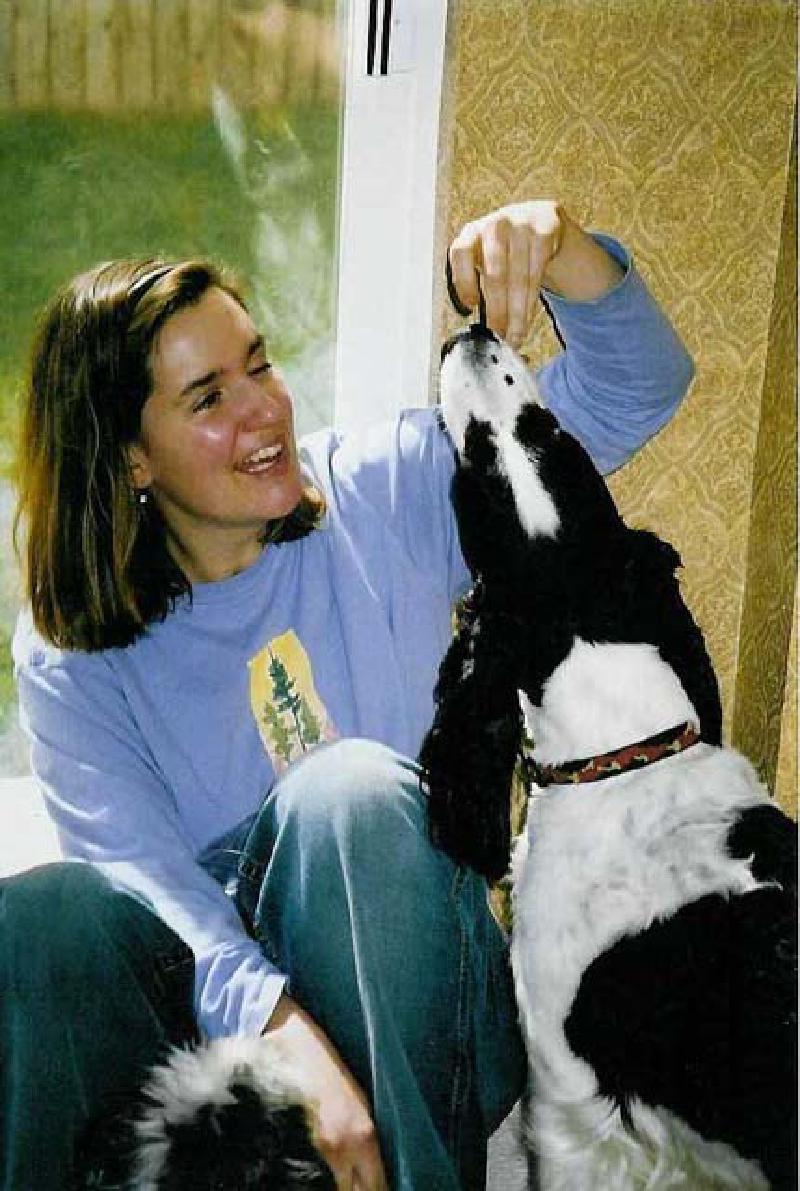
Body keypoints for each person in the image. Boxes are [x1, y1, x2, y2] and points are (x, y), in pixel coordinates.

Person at [3, 200, 693, 1190]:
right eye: (207, 397)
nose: (263, 410)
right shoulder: (70, 657)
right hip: (221, 1048)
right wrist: (286, 1041)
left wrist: (561, 246)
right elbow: (152, 890)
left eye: (258, 363)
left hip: (421, 1019)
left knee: (350, 794)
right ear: (128, 457)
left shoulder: (389, 492)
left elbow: (639, 388)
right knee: (42, 920)